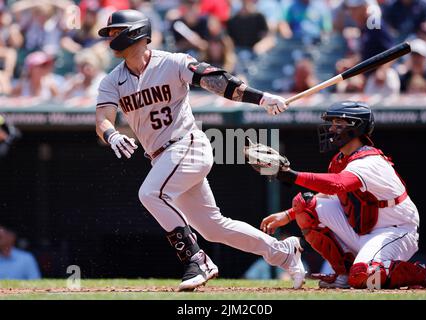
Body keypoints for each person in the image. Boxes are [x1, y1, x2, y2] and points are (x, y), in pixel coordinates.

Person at [95, 9, 305, 291]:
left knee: (150, 193)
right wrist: (111, 134)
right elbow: (102, 119)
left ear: (136, 33)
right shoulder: (112, 80)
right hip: (162, 159)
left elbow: (217, 81)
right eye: (109, 32)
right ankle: (283, 252)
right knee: (213, 227)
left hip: (187, 144)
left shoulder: (172, 62)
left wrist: (262, 98)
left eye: (115, 31)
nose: (110, 37)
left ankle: (196, 258)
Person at [259, 101, 426, 289]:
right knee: (305, 205)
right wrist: (288, 215)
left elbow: (337, 184)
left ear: (356, 128)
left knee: (363, 276)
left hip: (396, 231)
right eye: (332, 123)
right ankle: (343, 272)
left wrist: (291, 175)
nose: (332, 129)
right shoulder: (340, 160)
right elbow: (329, 194)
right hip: (363, 229)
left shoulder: (369, 161)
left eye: (338, 124)